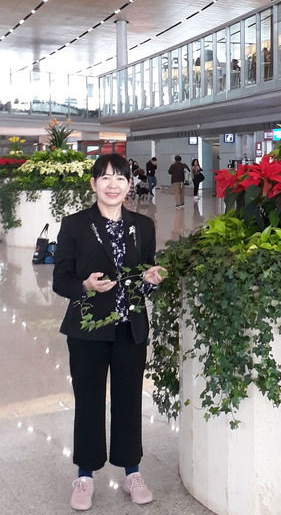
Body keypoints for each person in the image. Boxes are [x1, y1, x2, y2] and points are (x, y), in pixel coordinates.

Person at [52, 154, 165, 511]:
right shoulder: (74, 225)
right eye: (105, 178)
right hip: (88, 330)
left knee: (129, 399)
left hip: (130, 329)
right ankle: (84, 476)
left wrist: (150, 280)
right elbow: (60, 280)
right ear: (93, 184)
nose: (113, 185)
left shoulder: (143, 226)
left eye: (120, 178)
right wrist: (85, 286)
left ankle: (132, 472)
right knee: (88, 401)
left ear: (130, 185)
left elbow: (144, 275)